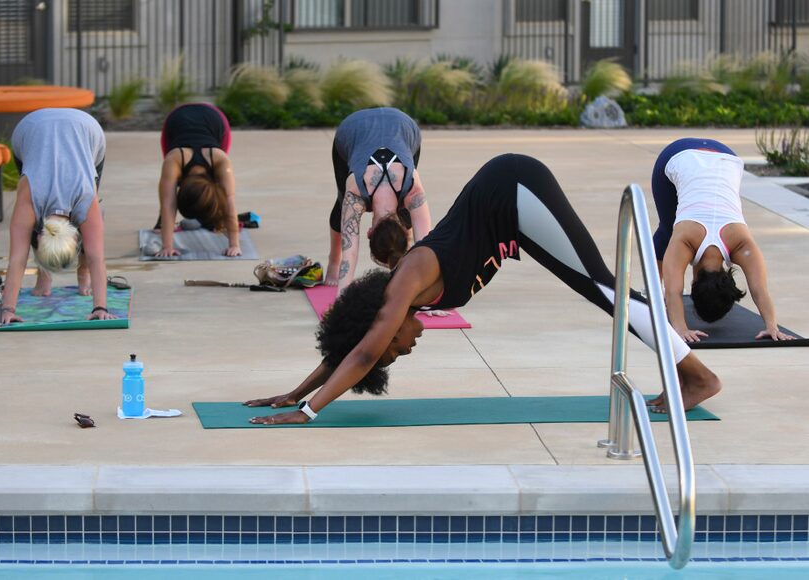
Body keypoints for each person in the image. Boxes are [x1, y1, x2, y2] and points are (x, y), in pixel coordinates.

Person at [245, 154, 722, 423]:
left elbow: (364, 353)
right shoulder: (399, 300)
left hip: (514, 189)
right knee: (601, 290)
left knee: (603, 289)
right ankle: (688, 373)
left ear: (384, 328)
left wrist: (307, 411)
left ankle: (697, 376)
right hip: (512, 216)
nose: (403, 352)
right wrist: (294, 390)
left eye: (395, 351)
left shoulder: (405, 284)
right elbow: (353, 347)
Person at [651, 138, 794, 343]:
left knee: (670, 231)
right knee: (668, 229)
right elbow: (673, 291)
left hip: (726, 156)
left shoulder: (741, 243)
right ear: (694, 282)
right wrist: (681, 329)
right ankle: (653, 290)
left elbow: (759, 289)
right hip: (679, 155)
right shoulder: (685, 240)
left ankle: (653, 291)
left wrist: (772, 326)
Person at [0, 108, 116, 325]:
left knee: (92, 227)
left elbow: (96, 257)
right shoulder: (29, 195)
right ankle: (43, 277)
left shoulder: (85, 196)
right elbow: (18, 259)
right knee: (91, 229)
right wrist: (7, 308)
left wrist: (100, 306)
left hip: (85, 129)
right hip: (31, 129)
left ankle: (84, 276)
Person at [325, 107, 431, 293]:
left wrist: (430, 300)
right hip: (353, 129)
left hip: (403, 125)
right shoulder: (355, 193)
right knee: (341, 205)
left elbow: (426, 250)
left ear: (369, 232)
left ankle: (400, 269)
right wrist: (431, 301)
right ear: (369, 232)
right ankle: (332, 260)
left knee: (406, 212)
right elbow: (427, 248)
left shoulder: (413, 189)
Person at [156, 102, 240, 257]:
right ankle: (162, 224)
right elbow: (168, 203)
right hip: (176, 119)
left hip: (215, 119)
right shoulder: (174, 159)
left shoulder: (221, 160)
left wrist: (234, 244)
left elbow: (229, 201)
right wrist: (167, 246)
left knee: (224, 190)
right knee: (167, 187)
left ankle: (212, 216)